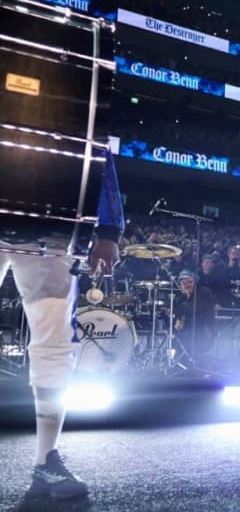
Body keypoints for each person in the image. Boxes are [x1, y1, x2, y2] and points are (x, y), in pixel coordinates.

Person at [0, 149, 123, 499]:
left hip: (50, 222)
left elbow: (93, 138)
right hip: (48, 220)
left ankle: (46, 460)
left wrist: (109, 229)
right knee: (54, 342)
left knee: (54, 341)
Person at [174, 269, 217, 367]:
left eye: (189, 282)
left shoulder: (203, 292)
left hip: (203, 335)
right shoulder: (182, 297)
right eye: (184, 283)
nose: (187, 285)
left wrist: (180, 310)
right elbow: (177, 310)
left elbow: (193, 309)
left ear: (195, 282)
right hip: (187, 335)